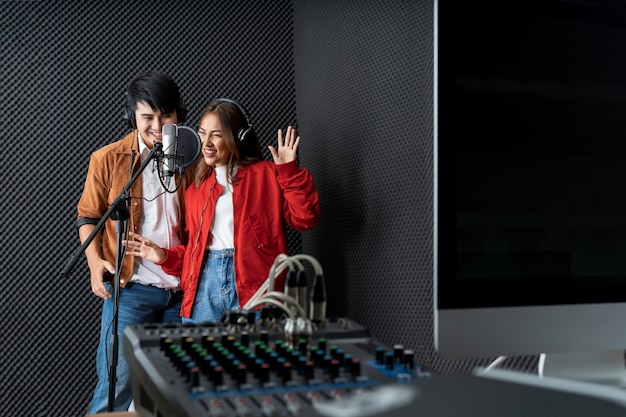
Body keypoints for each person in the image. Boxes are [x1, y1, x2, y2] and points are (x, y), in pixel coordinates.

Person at [123, 98, 320, 323]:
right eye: (202, 133)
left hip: (256, 289)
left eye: (216, 135)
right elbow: (192, 253)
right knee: (202, 358)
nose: (206, 142)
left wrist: (288, 172)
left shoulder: (267, 174)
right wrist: (163, 256)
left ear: (238, 137)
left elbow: (305, 219)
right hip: (203, 293)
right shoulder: (195, 190)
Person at [76, 70, 195, 413]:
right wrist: (95, 263)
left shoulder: (192, 159)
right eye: (147, 116)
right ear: (133, 117)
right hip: (131, 290)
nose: (157, 124)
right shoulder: (107, 159)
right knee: (117, 389)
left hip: (182, 294)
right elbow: (88, 216)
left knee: (172, 397)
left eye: (166, 115)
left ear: (178, 116)